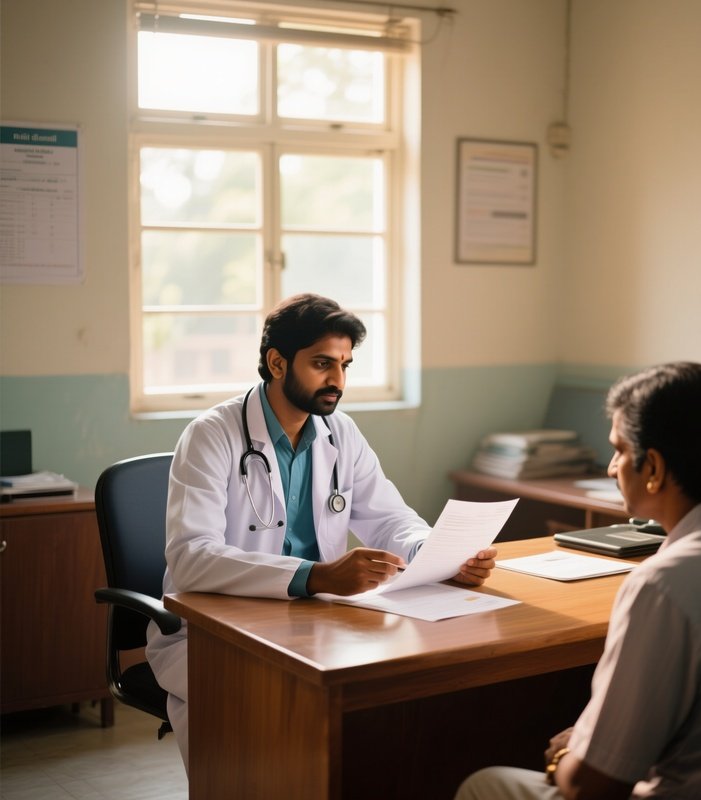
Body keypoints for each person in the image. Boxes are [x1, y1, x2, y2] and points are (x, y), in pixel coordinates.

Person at [146, 293, 497, 769]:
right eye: (322, 364)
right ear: (276, 362)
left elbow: (390, 517)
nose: (338, 381)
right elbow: (191, 558)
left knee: (399, 694)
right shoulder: (212, 435)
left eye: (346, 365)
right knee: (269, 727)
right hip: (216, 632)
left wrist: (436, 555)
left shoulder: (341, 433)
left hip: (315, 623)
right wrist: (316, 576)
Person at [455, 362, 701, 800]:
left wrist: (568, 753)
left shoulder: (664, 585)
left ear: (653, 467)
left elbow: (591, 786)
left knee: (483, 785)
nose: (611, 467)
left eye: (618, 450)